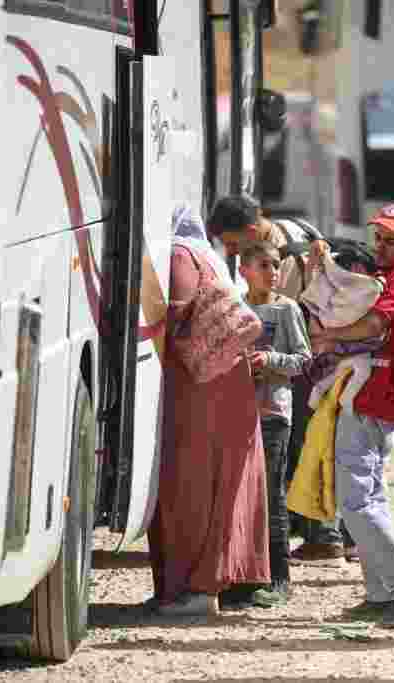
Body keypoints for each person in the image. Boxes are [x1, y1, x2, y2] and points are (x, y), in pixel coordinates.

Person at [309, 204, 394, 628]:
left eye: (392, 239)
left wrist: (329, 335)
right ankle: (382, 595)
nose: (381, 245)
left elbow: (374, 324)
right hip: (379, 398)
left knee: (356, 501)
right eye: (378, 236)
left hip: (375, 399)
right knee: (371, 499)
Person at [208, 195, 351, 565]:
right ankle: (331, 533)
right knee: (311, 445)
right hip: (317, 359)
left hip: (309, 364)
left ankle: (326, 536)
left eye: (236, 246)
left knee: (308, 448)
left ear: (253, 231)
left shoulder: (281, 264)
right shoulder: (297, 228)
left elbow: (283, 326)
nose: (236, 257)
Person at [147, 205, 270, 617]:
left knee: (190, 486)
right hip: (219, 384)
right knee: (205, 484)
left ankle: (196, 590)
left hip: (200, 388)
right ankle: (187, 589)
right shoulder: (211, 259)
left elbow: (177, 309)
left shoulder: (181, 254)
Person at [239, 241, 312, 607]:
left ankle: (279, 576)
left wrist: (269, 359)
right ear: (244, 271)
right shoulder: (236, 308)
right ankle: (245, 577)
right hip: (239, 414)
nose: (272, 272)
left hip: (273, 415)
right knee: (242, 497)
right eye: (264, 265)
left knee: (272, 496)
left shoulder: (287, 310)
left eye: (276, 265)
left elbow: (303, 360)